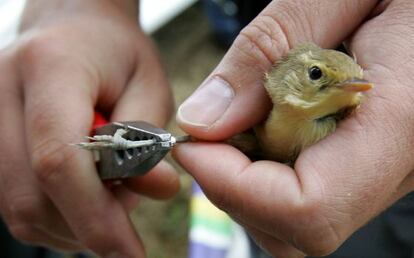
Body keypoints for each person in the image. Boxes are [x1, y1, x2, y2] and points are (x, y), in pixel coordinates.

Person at [0, 0, 413, 258]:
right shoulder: (266, 110)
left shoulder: (352, 109)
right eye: (318, 75)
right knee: (269, 223)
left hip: (394, 136)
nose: (346, 87)